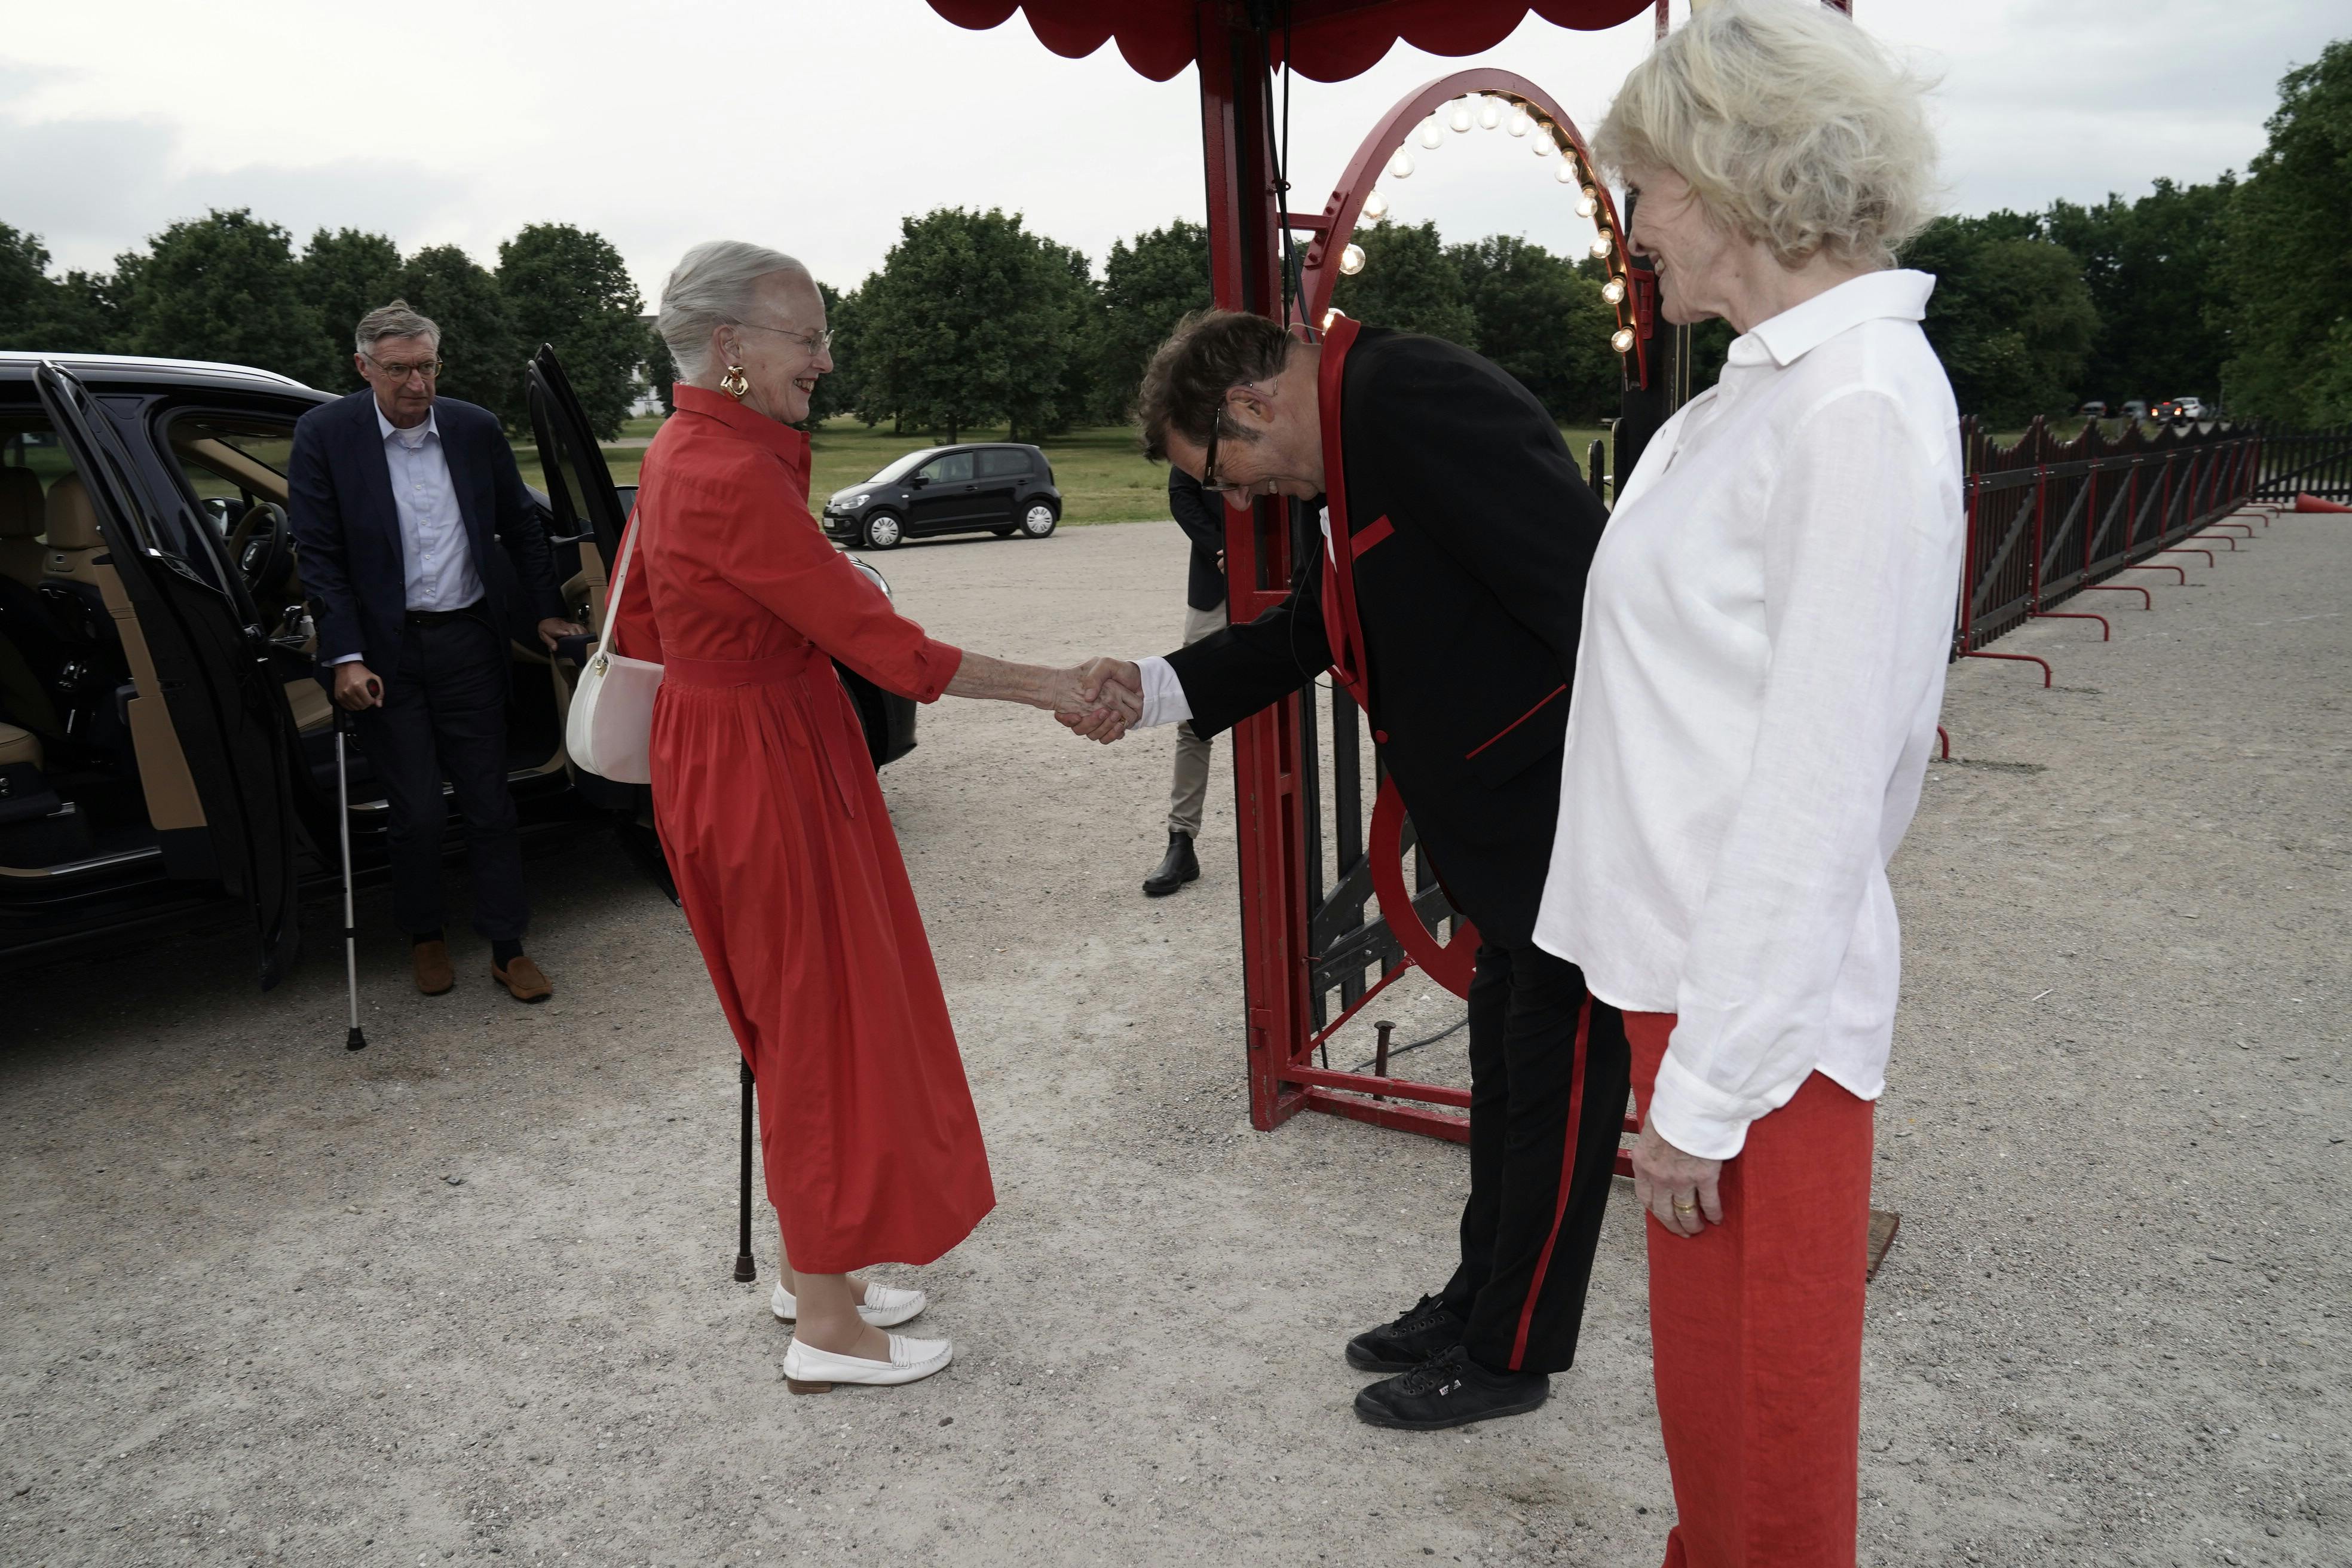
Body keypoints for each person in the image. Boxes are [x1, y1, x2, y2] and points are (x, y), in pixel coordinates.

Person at [1533, 4, 1955, 1561]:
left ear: (1729, 175)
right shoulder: (1757, 396)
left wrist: (1706, 1091)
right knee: (1717, 1431)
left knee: (1768, 1454)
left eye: (1641, 186)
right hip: (1699, 994)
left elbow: (1821, 791)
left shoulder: (1850, 406)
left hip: (1754, 1031)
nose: (1631, 227)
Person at [1071, 307, 1628, 1432]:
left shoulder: (1408, 399)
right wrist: (1156, 686)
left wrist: (1628, 796)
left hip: (1563, 813)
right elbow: (1321, 626)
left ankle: (1513, 1350)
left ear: (1249, 404)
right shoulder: (1351, 439)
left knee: (1558, 1090)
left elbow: (1592, 594)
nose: (1236, 499)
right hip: (1506, 828)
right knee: (1512, 1083)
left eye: (1220, 472)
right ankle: (1481, 1297)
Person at [609, 241, 1135, 1392]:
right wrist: (1053, 684)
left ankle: (821, 1271)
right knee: (814, 1024)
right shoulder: (725, 469)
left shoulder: (689, 448)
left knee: (804, 1017)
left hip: (736, 746)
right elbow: (884, 645)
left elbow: (646, 618)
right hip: (762, 760)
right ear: (732, 347)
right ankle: (828, 1331)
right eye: (806, 336)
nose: (826, 357)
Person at [289, 301, 584, 1003]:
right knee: (416, 809)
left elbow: (520, 523)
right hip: (385, 655)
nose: (415, 383)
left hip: (468, 644)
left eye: (426, 366)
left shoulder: (475, 428)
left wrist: (544, 609)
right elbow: (321, 554)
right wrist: (345, 655)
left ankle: (507, 944)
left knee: (490, 801)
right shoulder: (325, 435)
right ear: (364, 368)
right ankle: (425, 933)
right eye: (397, 370)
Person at [1143, 466, 1226, 896]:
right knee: (1192, 715)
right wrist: (1222, 549)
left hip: (1283, 580)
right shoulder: (1200, 412)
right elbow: (1183, 495)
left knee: (1285, 718)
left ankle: (1291, 834)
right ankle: (1181, 841)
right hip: (1216, 585)